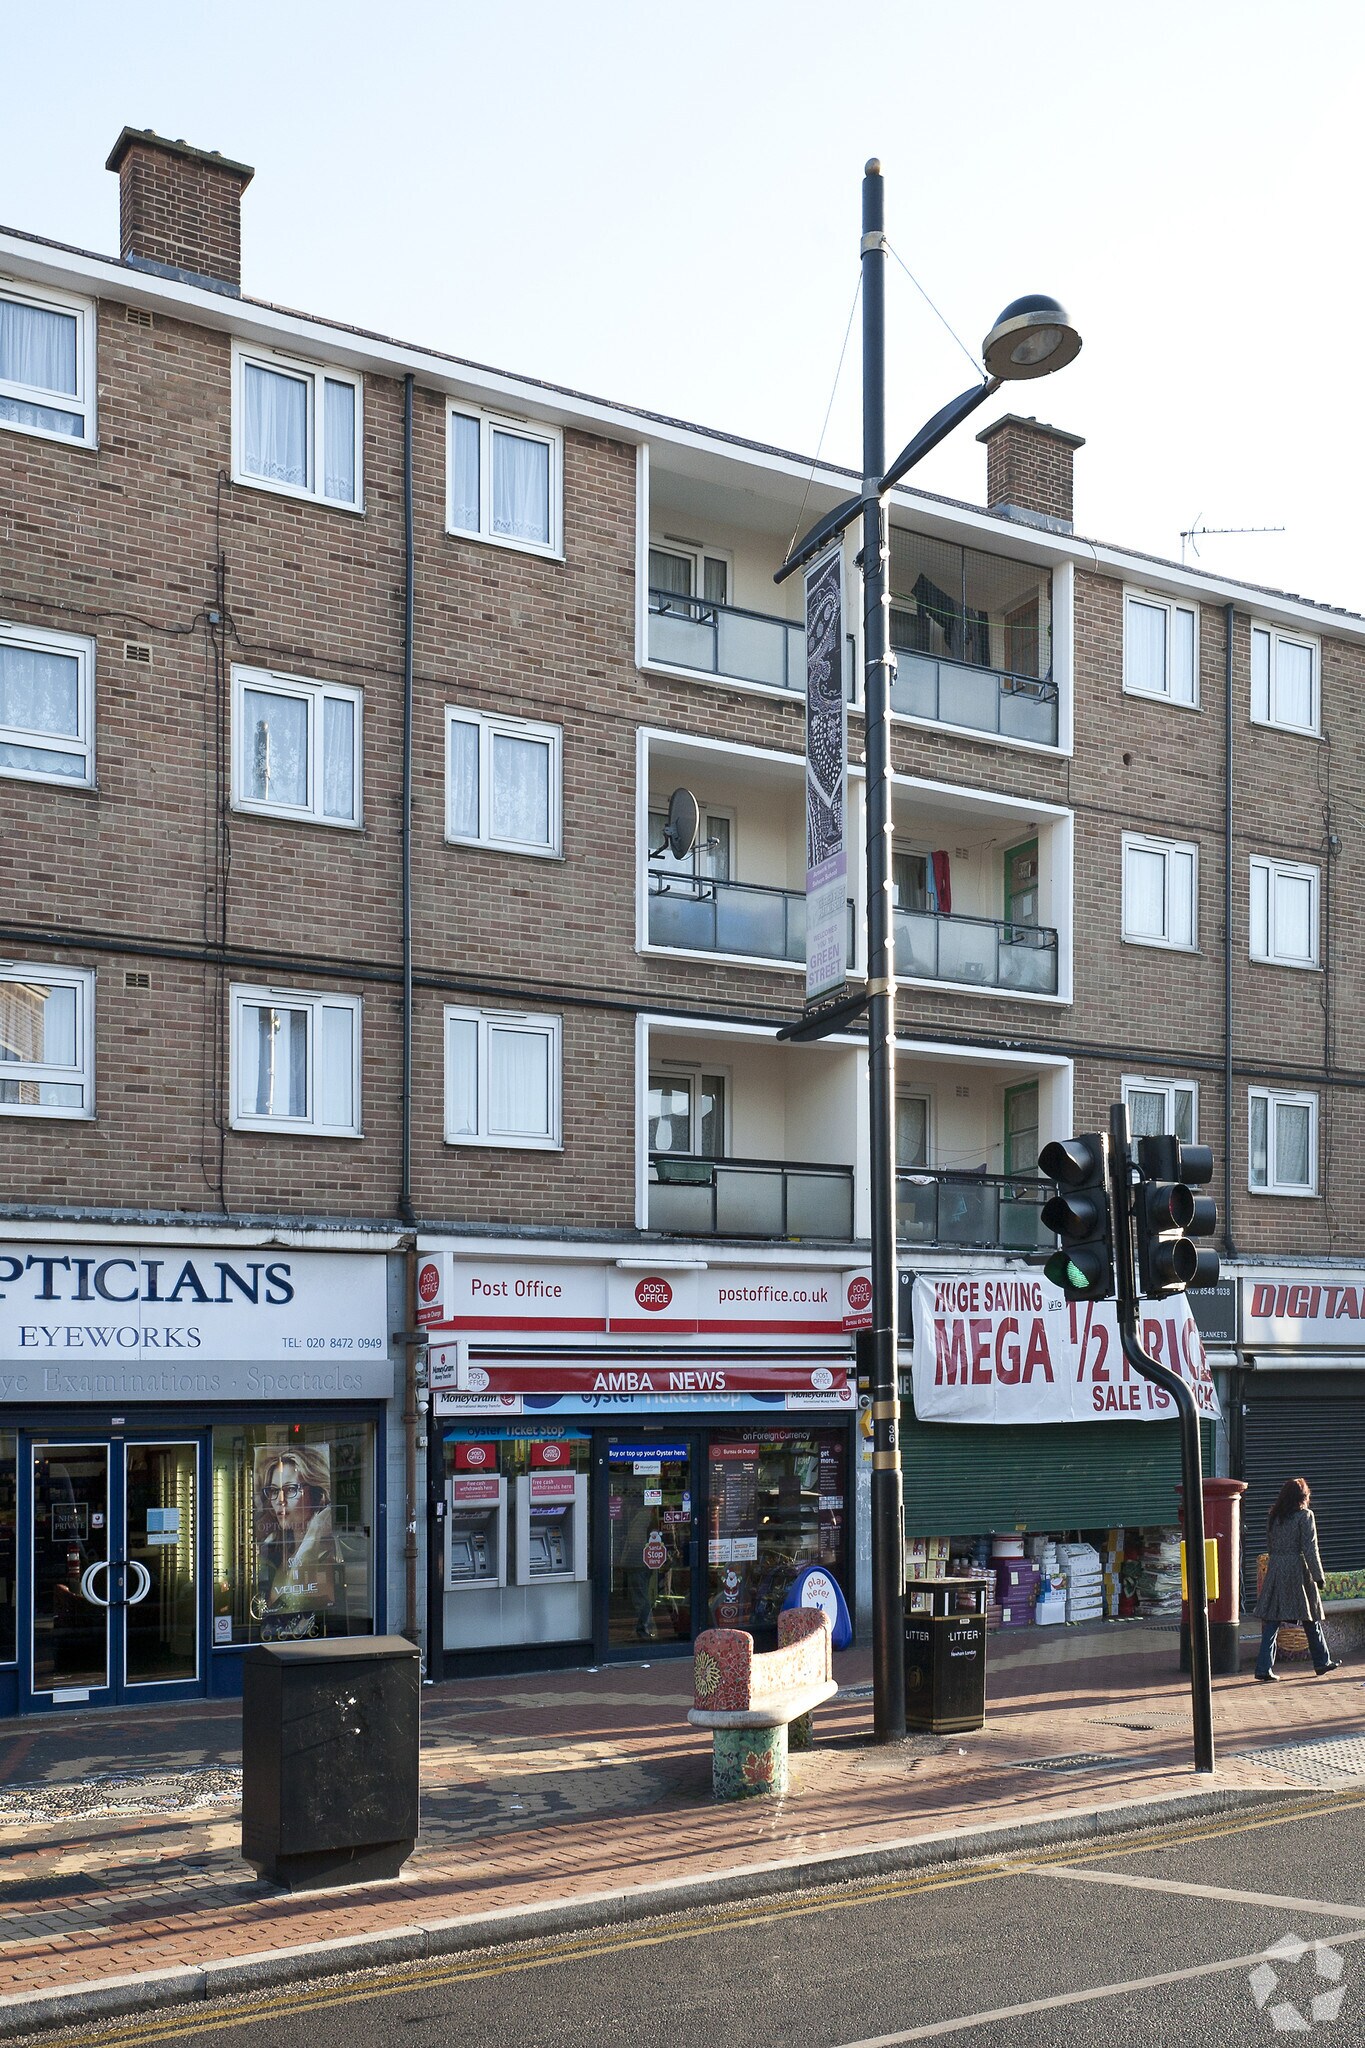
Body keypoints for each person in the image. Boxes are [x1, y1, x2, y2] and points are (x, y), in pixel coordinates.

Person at [1253, 1477, 1341, 1681]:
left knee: (1273, 1621)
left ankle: (1263, 1667)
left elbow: (1270, 1544)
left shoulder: (1274, 1517)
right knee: (1310, 1618)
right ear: (1303, 1497)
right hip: (1297, 1571)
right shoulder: (1305, 1516)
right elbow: (1310, 1548)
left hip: (1276, 1568)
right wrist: (1318, 1576)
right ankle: (1321, 1661)